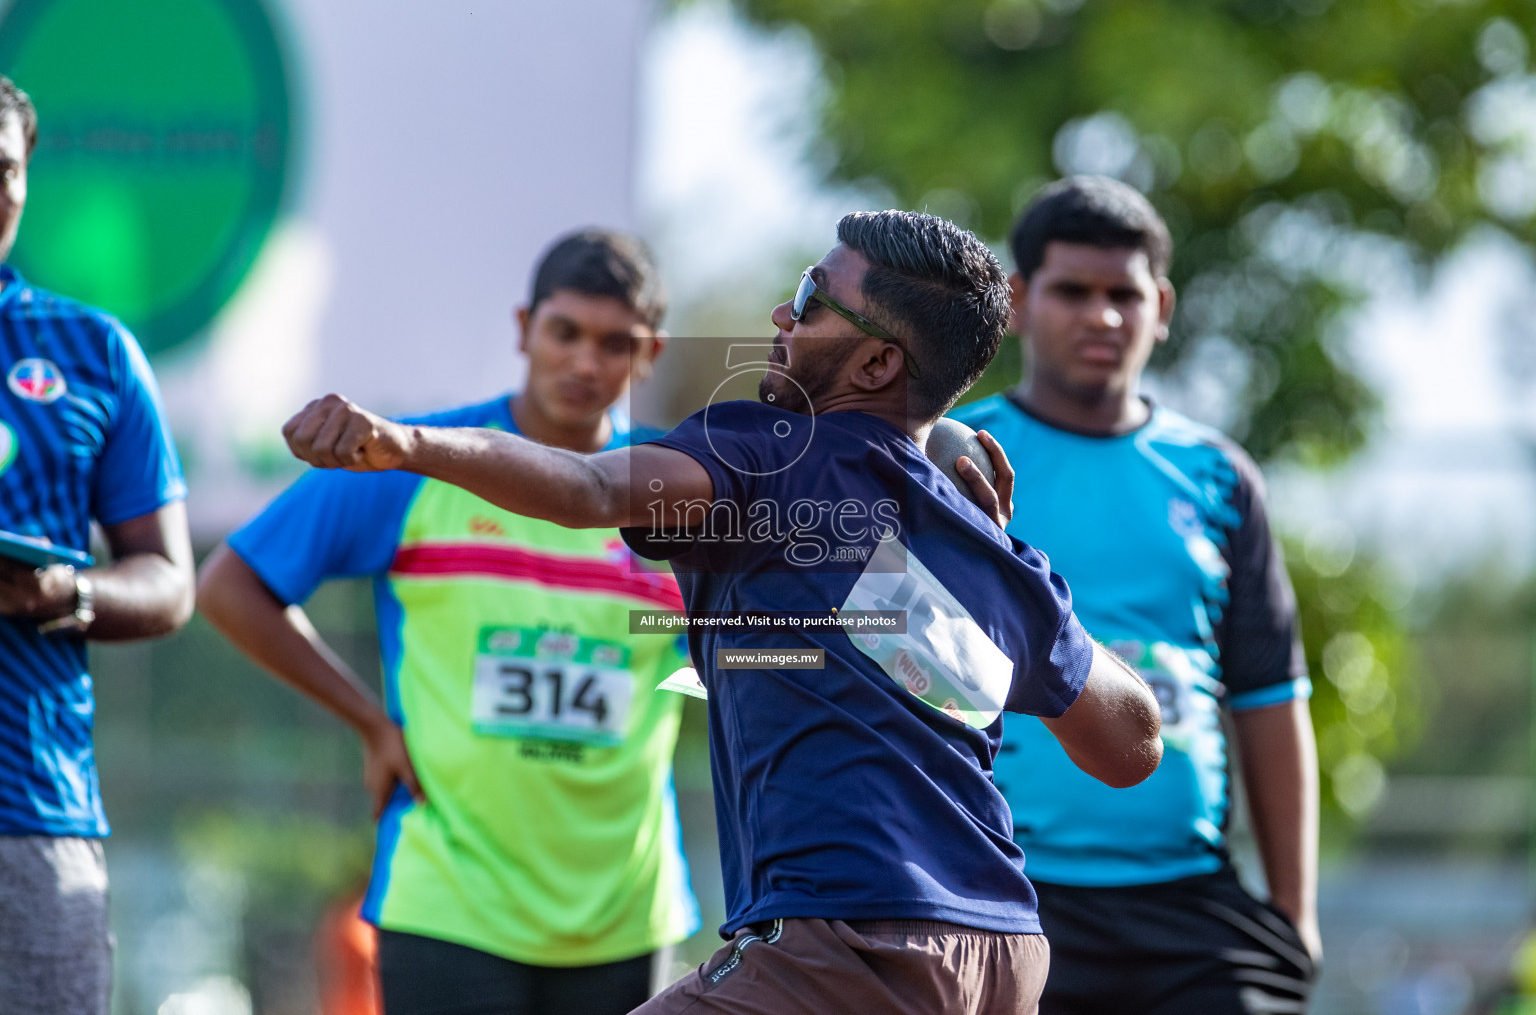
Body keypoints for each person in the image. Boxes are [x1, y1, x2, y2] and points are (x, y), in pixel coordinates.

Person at [277, 209, 1165, 1015]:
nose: (783, 316)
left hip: (846, 942)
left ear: (876, 363)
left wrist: (406, 444)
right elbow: (1132, 747)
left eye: (811, 300)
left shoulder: (767, 449)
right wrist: (1001, 575)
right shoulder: (981, 545)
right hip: (1001, 953)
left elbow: (588, 487)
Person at [197, 230, 700, 1015]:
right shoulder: (416, 459)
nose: (584, 363)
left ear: (650, 353)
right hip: (449, 901)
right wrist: (369, 722)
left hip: (625, 910)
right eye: (564, 332)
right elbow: (231, 588)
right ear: (522, 326)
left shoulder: (677, 490)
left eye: (614, 343)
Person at [951, 175, 1320, 1014]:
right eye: (1073, 291)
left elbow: (1270, 697)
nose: (1103, 316)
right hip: (1004, 895)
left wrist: (1296, 915)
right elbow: (891, 682)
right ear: (1016, 301)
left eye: (1125, 294)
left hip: (1192, 910)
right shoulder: (951, 457)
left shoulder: (1221, 478)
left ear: (1162, 305)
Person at [0, 75, 195, 1014]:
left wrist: (58, 593)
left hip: (31, 810)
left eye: (2, 168)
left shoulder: (91, 351)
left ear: (27, 177)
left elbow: (169, 584)